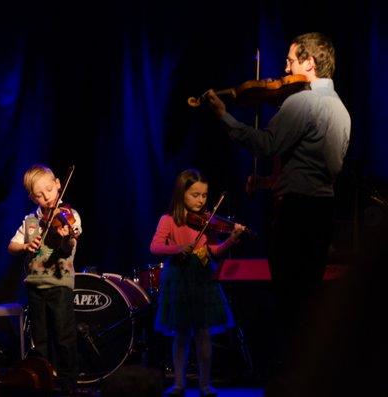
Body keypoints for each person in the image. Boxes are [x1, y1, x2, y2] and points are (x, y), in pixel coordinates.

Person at [204, 32, 351, 375]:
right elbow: (317, 170)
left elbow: (266, 144)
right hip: (322, 211)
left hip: (296, 213)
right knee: (309, 299)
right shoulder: (342, 110)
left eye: (290, 61)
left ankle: (291, 376)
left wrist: (224, 115)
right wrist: (271, 182)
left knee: (288, 300)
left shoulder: (301, 102)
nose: (284, 69)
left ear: (309, 63)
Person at [150, 169, 245, 397]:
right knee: (181, 334)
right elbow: (154, 247)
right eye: (195, 195)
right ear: (182, 193)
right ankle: (179, 384)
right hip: (179, 278)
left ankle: (205, 384)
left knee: (203, 334)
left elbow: (214, 251)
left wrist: (231, 239)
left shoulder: (207, 222)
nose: (201, 200)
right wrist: (177, 248)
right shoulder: (168, 220)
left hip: (202, 278)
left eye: (204, 195)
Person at [7, 164, 82, 396]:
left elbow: (70, 245)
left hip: (60, 285)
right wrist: (25, 246)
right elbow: (11, 245)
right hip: (35, 285)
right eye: (39, 195)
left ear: (58, 184)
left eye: (49, 190)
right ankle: (43, 382)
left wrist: (66, 236)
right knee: (40, 339)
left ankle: (69, 384)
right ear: (32, 197)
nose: (46, 197)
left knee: (64, 336)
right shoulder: (31, 221)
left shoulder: (69, 216)